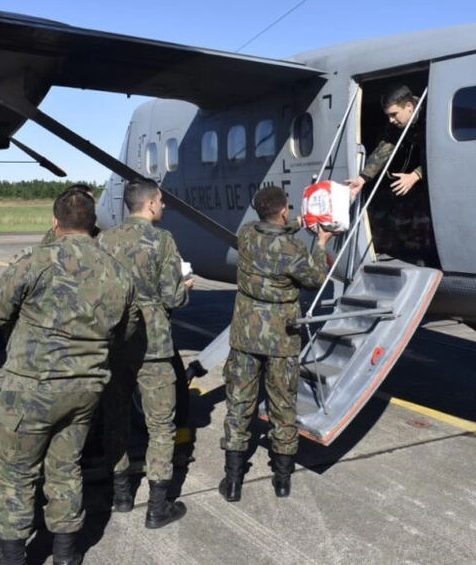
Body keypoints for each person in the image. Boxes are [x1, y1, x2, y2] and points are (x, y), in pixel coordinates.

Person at [0, 188, 136, 565]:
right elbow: (126, 331)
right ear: (93, 223)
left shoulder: (36, 261)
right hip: (85, 390)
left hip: (32, 389)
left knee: (14, 473)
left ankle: (15, 556)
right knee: (66, 469)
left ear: (55, 223)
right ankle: (67, 553)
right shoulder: (117, 271)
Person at [219, 186, 333, 502]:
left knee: (239, 405)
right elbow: (315, 279)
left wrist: (297, 221)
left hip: (245, 335)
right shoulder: (293, 249)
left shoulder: (245, 235)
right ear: (283, 210)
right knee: (283, 406)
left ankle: (232, 482)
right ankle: (282, 481)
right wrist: (321, 242)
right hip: (281, 337)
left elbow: (270, 229)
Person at [97, 179, 193, 529]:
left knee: (116, 418)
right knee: (161, 426)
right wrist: (185, 289)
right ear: (150, 204)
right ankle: (157, 506)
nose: (163, 207)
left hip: (116, 342)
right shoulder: (162, 240)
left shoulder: (105, 239)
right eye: (161, 201)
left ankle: (121, 495)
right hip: (153, 345)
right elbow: (171, 297)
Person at [345, 84, 425, 200]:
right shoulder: (396, 123)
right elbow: (385, 147)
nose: (391, 120)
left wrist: (415, 175)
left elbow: (442, 152)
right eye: (388, 115)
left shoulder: (431, 114)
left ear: (409, 107)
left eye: (394, 114)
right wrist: (362, 179)